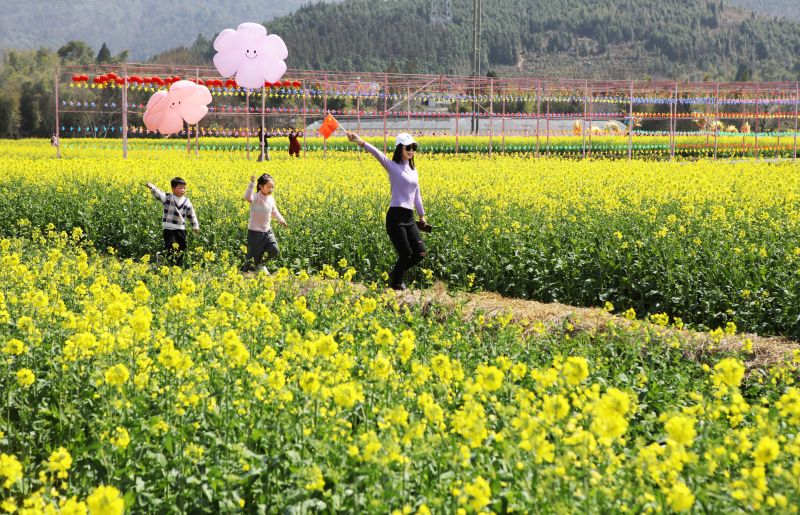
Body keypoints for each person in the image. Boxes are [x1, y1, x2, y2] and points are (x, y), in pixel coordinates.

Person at [346, 131, 429, 290]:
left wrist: (422, 215)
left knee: (420, 253)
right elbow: (377, 153)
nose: (411, 150)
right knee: (405, 254)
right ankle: (396, 282)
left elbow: (416, 193)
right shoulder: (392, 166)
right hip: (396, 217)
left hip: (409, 217)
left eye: (414, 147)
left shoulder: (414, 170)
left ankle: (395, 274)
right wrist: (359, 141)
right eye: (408, 147)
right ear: (400, 149)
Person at [145, 177, 199, 267]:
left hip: (181, 228)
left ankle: (177, 265)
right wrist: (152, 187)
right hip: (169, 228)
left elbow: (191, 214)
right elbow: (158, 194)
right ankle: (167, 263)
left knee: (182, 247)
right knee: (170, 247)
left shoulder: (187, 201)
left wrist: (195, 226)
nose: (183, 190)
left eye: (184, 188)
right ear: (173, 188)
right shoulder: (168, 197)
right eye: (180, 187)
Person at [241, 173, 287, 274]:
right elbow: (247, 197)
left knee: (274, 250)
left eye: (272, 187)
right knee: (251, 256)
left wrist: (281, 219)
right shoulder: (256, 197)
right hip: (255, 232)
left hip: (267, 231)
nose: (271, 189)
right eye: (269, 187)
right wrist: (252, 183)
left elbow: (274, 211)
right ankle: (245, 274)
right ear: (261, 186)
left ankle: (260, 265)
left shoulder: (271, 199)